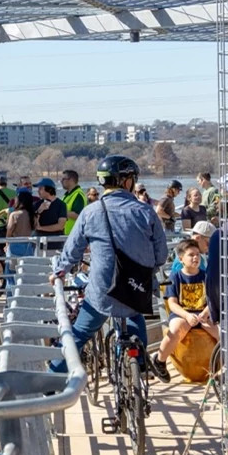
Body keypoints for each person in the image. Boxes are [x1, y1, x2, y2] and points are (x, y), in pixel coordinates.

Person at [50, 155, 171, 377]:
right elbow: (161, 255)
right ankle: (141, 367)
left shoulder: (91, 211)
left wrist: (60, 271)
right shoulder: (145, 212)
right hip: (136, 286)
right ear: (126, 181)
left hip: (102, 288)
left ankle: (48, 381)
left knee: (78, 334)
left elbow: (73, 249)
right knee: (135, 317)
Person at [154, 239, 219, 377]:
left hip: (202, 314)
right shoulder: (175, 277)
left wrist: (206, 313)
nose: (195, 257)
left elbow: (212, 299)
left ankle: (227, 365)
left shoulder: (206, 276)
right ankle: (160, 360)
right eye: (191, 255)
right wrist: (187, 316)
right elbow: (172, 303)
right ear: (181, 258)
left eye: (197, 254)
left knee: (221, 334)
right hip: (182, 314)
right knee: (175, 330)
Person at [3, 190, 36, 293]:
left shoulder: (14, 215)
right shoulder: (33, 215)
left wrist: (6, 244)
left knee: (11, 276)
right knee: (26, 275)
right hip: (29, 247)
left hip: (14, 246)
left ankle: (11, 299)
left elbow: (9, 232)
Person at [33, 179, 66, 250]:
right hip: (40, 245)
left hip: (56, 245)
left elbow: (60, 226)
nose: (38, 191)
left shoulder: (61, 205)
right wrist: (39, 211)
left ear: (49, 190)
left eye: (41, 188)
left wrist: (41, 228)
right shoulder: (37, 204)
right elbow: (33, 224)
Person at [60, 169, 87, 236]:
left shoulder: (78, 195)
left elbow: (79, 216)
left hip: (74, 235)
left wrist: (59, 211)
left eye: (63, 179)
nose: (61, 181)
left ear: (71, 180)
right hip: (65, 234)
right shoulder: (66, 195)